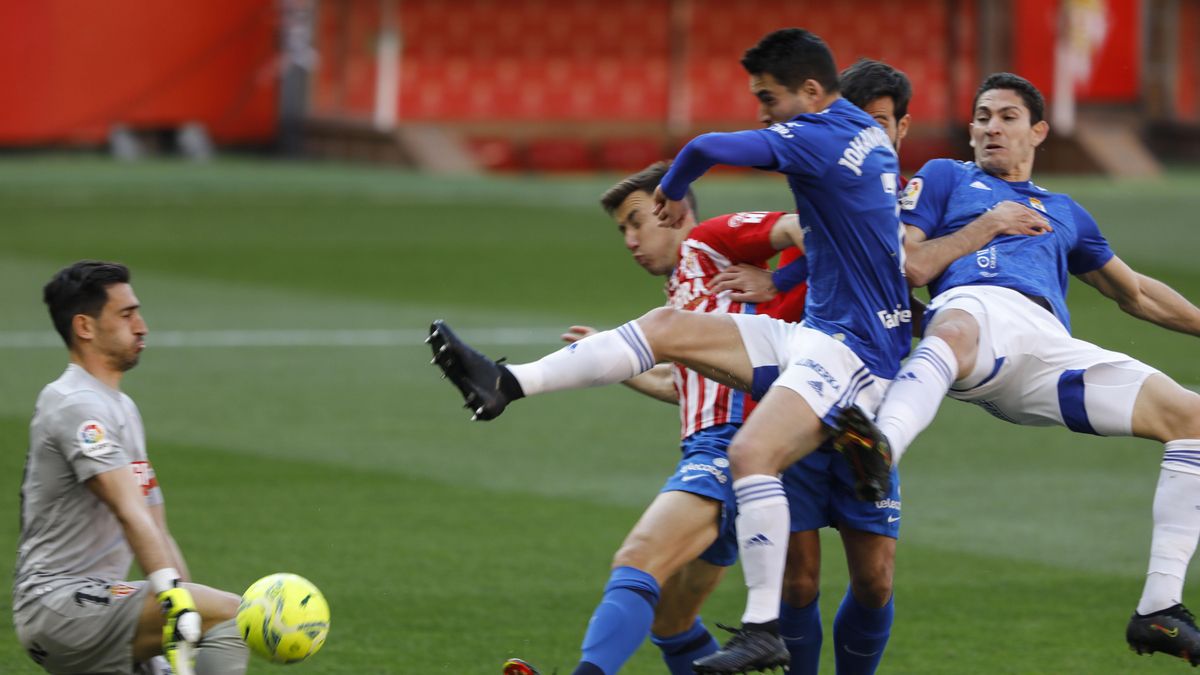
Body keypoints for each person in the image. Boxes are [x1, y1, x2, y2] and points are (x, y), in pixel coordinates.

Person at [431, 28, 913, 673]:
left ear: (810, 90)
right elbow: (837, 234)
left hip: (850, 358)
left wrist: (677, 181)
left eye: (768, 98)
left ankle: (761, 627)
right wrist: (786, 281)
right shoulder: (863, 135)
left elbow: (708, 147)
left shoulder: (815, 138)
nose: (763, 112)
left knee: (747, 461)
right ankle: (506, 382)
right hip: (821, 342)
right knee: (665, 327)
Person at [833, 72, 1200, 665]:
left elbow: (1136, 294)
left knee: (1191, 417)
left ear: (1038, 131)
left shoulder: (1066, 212)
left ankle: (1159, 609)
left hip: (1049, 350)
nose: (989, 127)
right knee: (956, 324)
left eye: (1005, 116)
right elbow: (912, 265)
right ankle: (879, 449)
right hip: (976, 312)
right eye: (981, 116)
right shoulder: (947, 178)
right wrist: (989, 225)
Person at [506, 162, 807, 675]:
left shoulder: (712, 249)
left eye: (636, 221)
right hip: (723, 452)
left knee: (637, 558)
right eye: (622, 229)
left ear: (674, 211)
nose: (629, 239)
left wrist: (778, 277)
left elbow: (807, 227)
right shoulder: (685, 291)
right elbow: (685, 385)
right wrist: (617, 364)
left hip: (731, 450)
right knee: (671, 620)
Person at [700, 58, 916, 675]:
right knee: (797, 583)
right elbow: (808, 243)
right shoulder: (825, 186)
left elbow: (916, 278)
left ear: (902, 129)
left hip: (861, 415)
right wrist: (778, 277)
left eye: (879, 123)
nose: (864, 135)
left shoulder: (909, 209)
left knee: (874, 580)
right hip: (796, 398)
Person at [13, 261, 249, 675]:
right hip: (61, 604)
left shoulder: (121, 408)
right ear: (85, 327)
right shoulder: (76, 405)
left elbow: (155, 526)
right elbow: (127, 507)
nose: (142, 327)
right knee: (234, 615)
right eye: (126, 315)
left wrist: (182, 613)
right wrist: (175, 599)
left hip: (100, 602)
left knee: (207, 625)